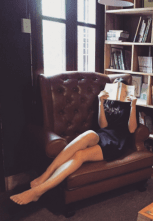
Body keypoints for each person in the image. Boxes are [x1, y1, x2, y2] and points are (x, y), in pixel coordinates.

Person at [10, 78, 138, 205]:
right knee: (89, 134)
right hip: (103, 134)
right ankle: (46, 174)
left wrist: (133, 105)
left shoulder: (129, 105)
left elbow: (132, 129)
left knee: (80, 155)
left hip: (116, 142)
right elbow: (103, 126)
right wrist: (101, 101)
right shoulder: (108, 102)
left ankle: (38, 191)